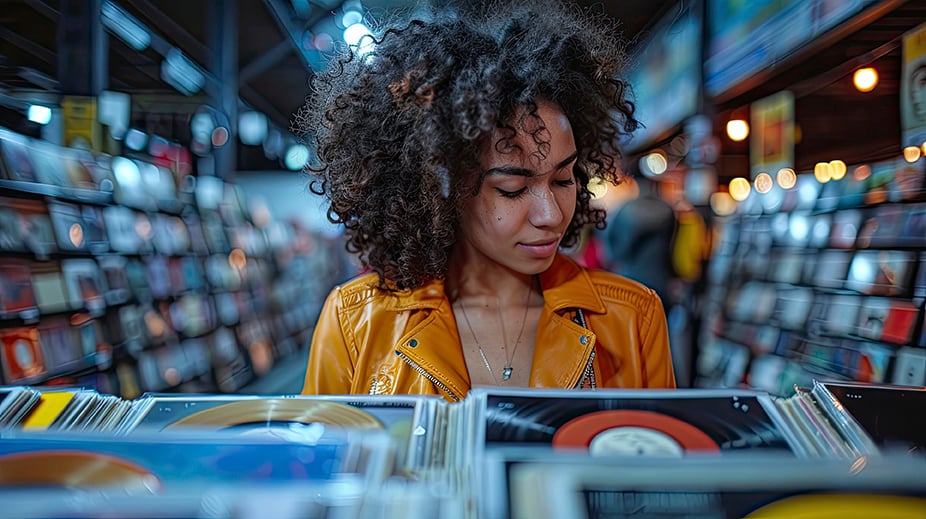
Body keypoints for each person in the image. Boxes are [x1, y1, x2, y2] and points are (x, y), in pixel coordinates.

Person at [298, 0, 676, 401]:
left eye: (564, 179)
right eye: (512, 189)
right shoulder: (355, 321)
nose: (551, 215)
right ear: (441, 187)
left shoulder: (633, 317)